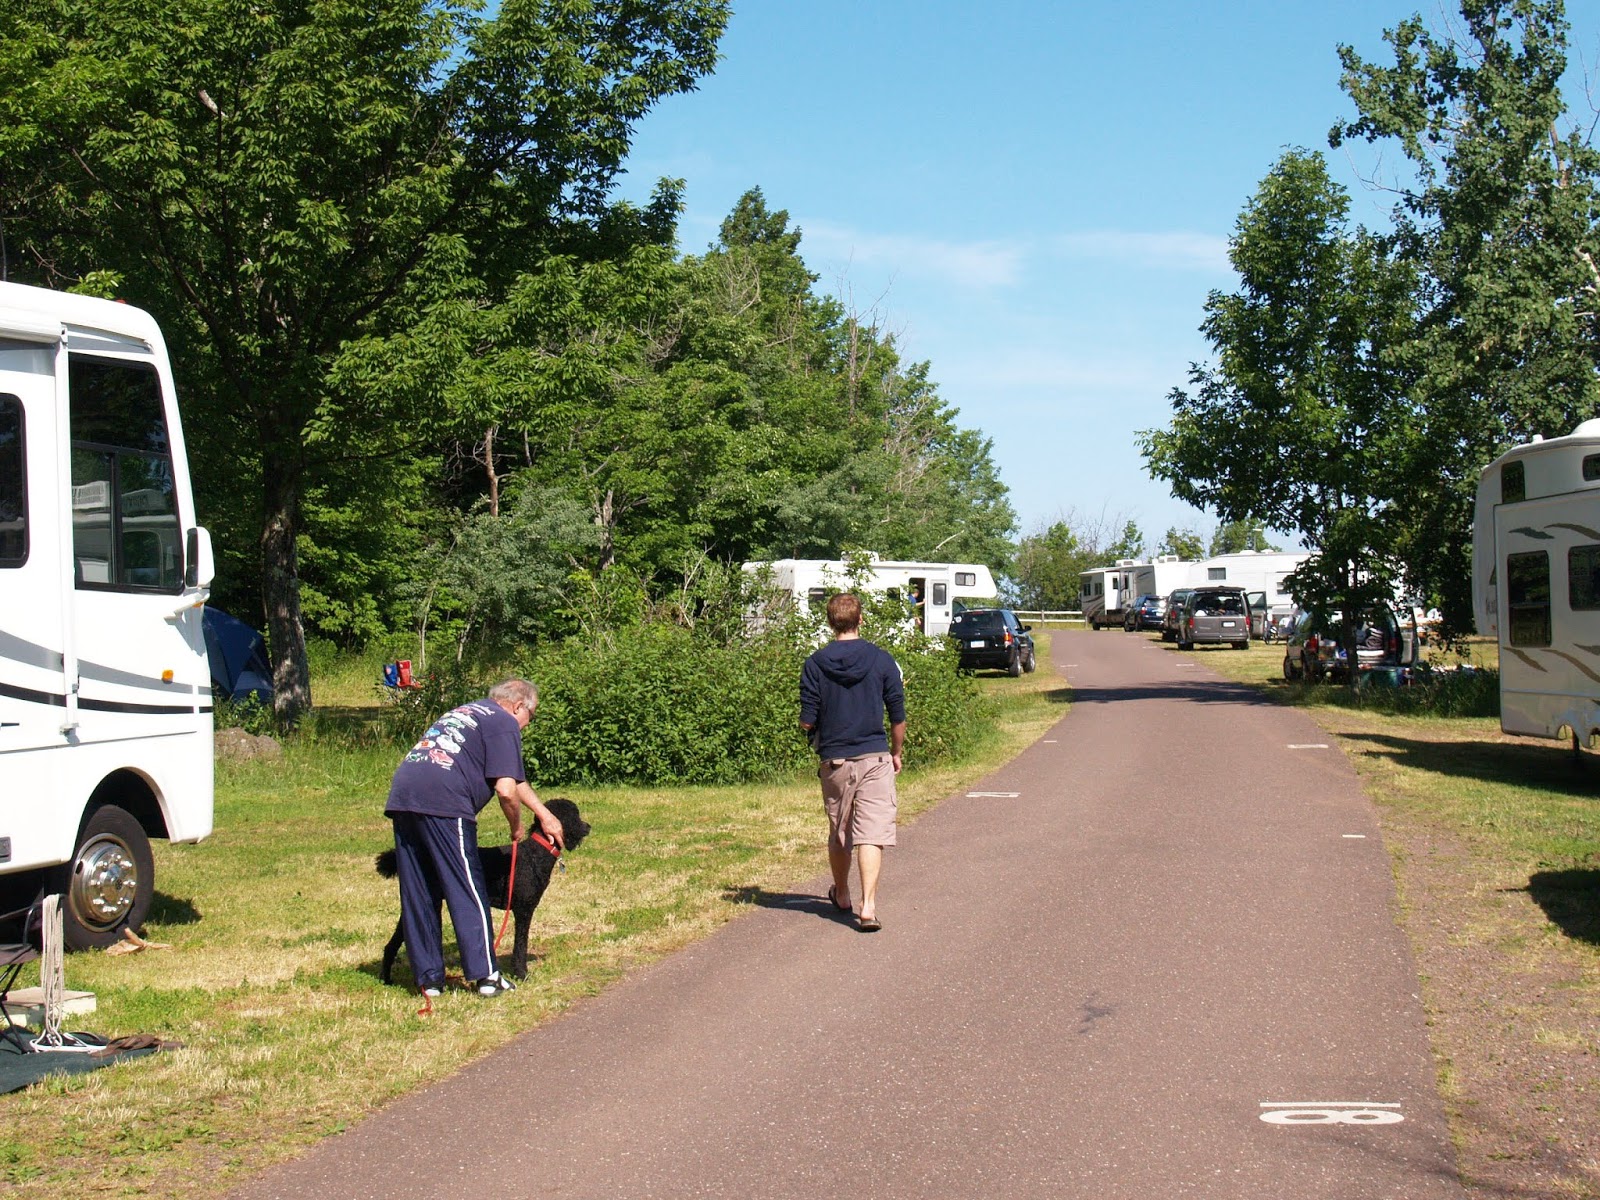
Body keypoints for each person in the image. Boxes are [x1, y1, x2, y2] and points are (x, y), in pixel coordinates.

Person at [384, 678, 566, 996]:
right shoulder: (505, 723)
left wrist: (544, 814)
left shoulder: (469, 712)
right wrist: (516, 827)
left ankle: (429, 980)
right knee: (467, 886)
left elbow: (512, 777)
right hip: (445, 801)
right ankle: (487, 977)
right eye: (531, 716)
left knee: (420, 888)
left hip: (403, 796)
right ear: (518, 706)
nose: (528, 724)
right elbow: (506, 790)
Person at [799, 593, 906, 933]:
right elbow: (898, 714)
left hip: (835, 760)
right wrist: (896, 752)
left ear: (830, 622)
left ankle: (842, 894)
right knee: (871, 833)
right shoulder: (881, 659)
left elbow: (807, 721)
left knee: (840, 830)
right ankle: (868, 907)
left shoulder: (814, 664)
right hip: (875, 756)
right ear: (860, 619)